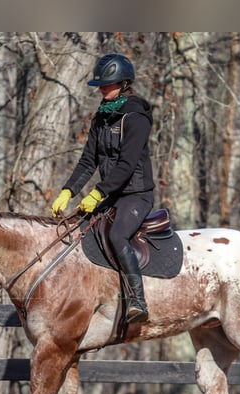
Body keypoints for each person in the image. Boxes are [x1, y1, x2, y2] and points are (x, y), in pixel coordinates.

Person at [51, 53, 154, 323]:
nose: (102, 89)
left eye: (107, 84)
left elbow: (127, 164)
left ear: (123, 83)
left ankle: (137, 301)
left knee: (118, 236)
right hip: (110, 196)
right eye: (101, 85)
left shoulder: (136, 117)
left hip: (135, 195)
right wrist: (68, 191)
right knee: (74, 231)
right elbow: (88, 160)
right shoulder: (101, 116)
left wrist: (98, 193)